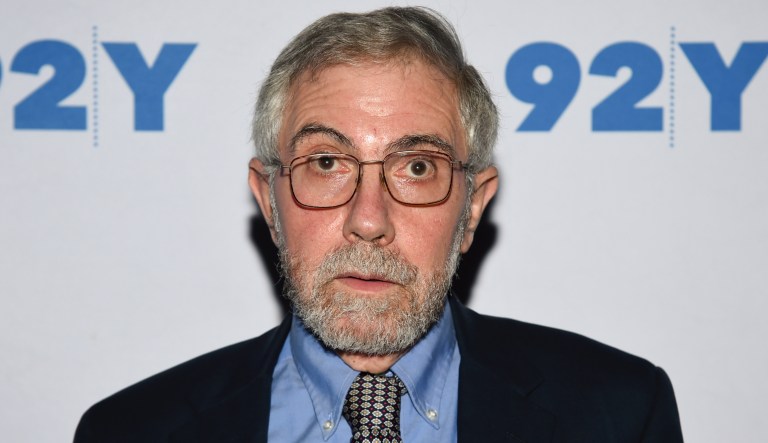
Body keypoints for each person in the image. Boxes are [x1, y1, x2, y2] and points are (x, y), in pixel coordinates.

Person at [74, 6, 683, 442]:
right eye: (327, 162)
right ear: (269, 202)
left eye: (417, 166)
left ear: (471, 207)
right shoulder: (132, 430)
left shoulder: (618, 415)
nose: (369, 221)